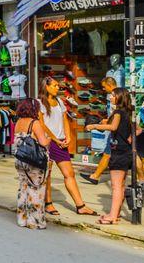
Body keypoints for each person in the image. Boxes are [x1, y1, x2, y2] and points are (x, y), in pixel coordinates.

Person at [37, 77, 96, 216]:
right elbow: (41, 124)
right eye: (55, 86)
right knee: (48, 175)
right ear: (47, 87)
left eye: (58, 86)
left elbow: (65, 119)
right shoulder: (39, 103)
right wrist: (54, 138)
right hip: (48, 142)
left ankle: (80, 205)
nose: (58, 88)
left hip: (61, 142)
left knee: (69, 174)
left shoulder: (59, 101)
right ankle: (48, 203)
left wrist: (68, 136)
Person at [86, 87, 137, 225]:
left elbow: (113, 127)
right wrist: (129, 139)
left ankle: (113, 216)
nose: (110, 98)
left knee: (116, 186)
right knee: (120, 185)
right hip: (125, 151)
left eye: (113, 95)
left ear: (120, 97)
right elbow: (138, 130)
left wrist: (94, 126)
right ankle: (115, 214)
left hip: (118, 151)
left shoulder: (118, 112)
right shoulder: (129, 112)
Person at [14, 98, 51, 230]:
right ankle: (35, 220)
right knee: (36, 189)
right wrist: (50, 139)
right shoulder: (34, 123)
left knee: (23, 188)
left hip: (20, 159)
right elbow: (43, 142)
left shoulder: (18, 122)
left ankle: (22, 218)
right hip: (33, 161)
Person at [81, 76, 118, 185]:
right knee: (107, 153)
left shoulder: (117, 96)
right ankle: (95, 176)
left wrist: (97, 125)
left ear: (110, 85)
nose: (103, 89)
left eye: (104, 86)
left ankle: (142, 178)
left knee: (131, 154)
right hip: (115, 129)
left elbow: (119, 114)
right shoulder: (113, 95)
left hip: (118, 131)